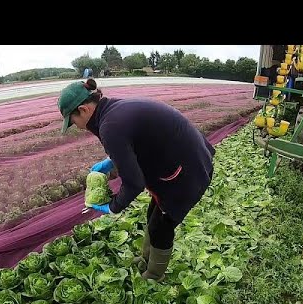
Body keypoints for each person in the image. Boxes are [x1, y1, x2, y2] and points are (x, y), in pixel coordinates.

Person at [57, 79, 215, 281]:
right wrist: (111, 162)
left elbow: (134, 183)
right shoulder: (113, 109)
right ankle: (146, 259)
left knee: (162, 226)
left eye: (73, 121)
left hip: (188, 171)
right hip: (182, 159)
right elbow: (135, 142)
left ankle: (154, 276)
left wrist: (113, 206)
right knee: (153, 216)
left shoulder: (110, 125)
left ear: (84, 109)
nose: (76, 127)